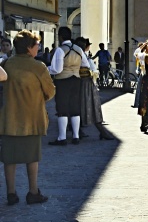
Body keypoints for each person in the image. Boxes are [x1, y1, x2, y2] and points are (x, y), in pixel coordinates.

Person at [0, 30, 53, 205]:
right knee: (32, 157)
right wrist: (37, 99)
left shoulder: (7, 64)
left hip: (9, 118)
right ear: (29, 48)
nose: (38, 47)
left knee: (9, 158)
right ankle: (33, 192)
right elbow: (50, 91)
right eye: (36, 44)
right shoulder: (38, 67)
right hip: (32, 118)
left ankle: (11, 193)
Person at [48, 26, 89, 145]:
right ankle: (76, 136)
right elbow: (85, 64)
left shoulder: (60, 50)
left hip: (62, 81)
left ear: (60, 37)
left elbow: (57, 69)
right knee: (75, 107)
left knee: (62, 108)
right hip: (76, 80)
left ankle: (62, 137)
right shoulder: (78, 49)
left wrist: (47, 69)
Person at [75, 37, 114, 140]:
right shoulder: (82, 56)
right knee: (92, 105)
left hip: (83, 82)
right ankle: (100, 130)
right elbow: (90, 68)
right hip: (86, 82)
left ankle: (79, 129)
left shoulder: (81, 55)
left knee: (82, 105)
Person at [132, 42, 147, 108]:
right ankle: (138, 103)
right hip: (143, 72)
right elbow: (136, 53)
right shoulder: (142, 55)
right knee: (140, 88)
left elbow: (136, 53)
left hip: (145, 73)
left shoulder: (143, 55)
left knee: (141, 88)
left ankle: (139, 103)